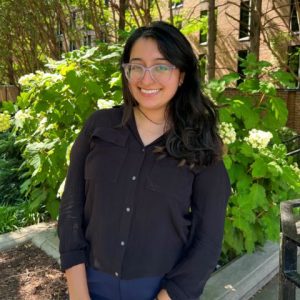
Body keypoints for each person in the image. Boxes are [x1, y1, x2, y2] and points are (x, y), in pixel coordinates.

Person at [58, 21, 231, 300]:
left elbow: (207, 241)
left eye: (161, 66)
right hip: (88, 286)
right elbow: (70, 209)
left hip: (160, 292)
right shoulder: (99, 127)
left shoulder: (201, 147)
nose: (146, 78)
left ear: (182, 74)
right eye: (136, 66)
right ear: (127, 71)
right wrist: (79, 294)